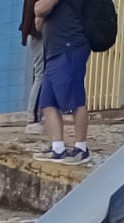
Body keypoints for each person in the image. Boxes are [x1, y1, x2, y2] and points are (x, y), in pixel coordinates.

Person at [32, 0, 91, 165]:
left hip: (69, 47)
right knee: (47, 102)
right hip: (54, 51)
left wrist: (40, 12)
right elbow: (37, 23)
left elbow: (40, 8)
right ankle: (57, 148)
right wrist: (40, 14)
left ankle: (81, 149)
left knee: (75, 99)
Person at [19, 0, 45, 134]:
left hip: (38, 32)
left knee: (43, 74)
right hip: (40, 33)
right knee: (42, 74)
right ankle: (33, 118)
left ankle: (37, 116)